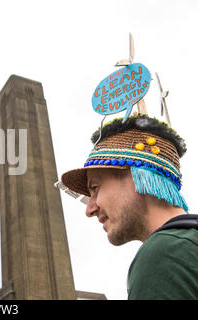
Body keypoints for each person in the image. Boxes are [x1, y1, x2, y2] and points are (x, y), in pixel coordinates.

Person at [61, 114, 198, 299]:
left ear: (138, 176)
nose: (89, 209)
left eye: (95, 188)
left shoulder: (163, 254)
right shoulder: (189, 244)